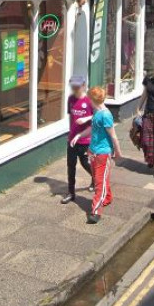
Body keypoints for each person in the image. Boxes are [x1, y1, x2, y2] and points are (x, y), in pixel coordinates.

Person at [87, 86, 122, 224]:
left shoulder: (106, 115)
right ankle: (106, 198)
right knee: (98, 178)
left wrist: (118, 152)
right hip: (93, 151)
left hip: (103, 153)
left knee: (99, 182)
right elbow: (94, 131)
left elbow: (113, 136)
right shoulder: (97, 112)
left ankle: (96, 210)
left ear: (92, 100)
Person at [62, 75, 94, 204]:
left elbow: (98, 117)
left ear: (84, 85)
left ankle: (96, 178)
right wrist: (70, 133)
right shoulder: (70, 99)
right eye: (73, 86)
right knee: (71, 166)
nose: (75, 89)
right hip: (72, 139)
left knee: (85, 163)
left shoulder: (90, 101)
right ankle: (71, 192)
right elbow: (71, 118)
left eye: (77, 86)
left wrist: (87, 118)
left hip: (85, 140)